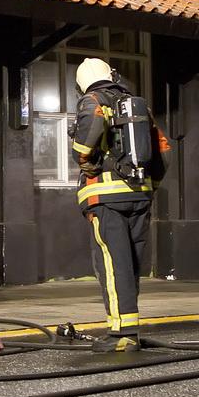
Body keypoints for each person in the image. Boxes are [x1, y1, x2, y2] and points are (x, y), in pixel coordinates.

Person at [71, 57, 171, 353]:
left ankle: (121, 334)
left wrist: (85, 161)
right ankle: (129, 329)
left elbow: (85, 143)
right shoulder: (137, 106)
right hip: (140, 196)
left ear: (82, 84)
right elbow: (164, 152)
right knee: (131, 265)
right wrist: (149, 187)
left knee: (113, 265)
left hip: (105, 199)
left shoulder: (92, 101)